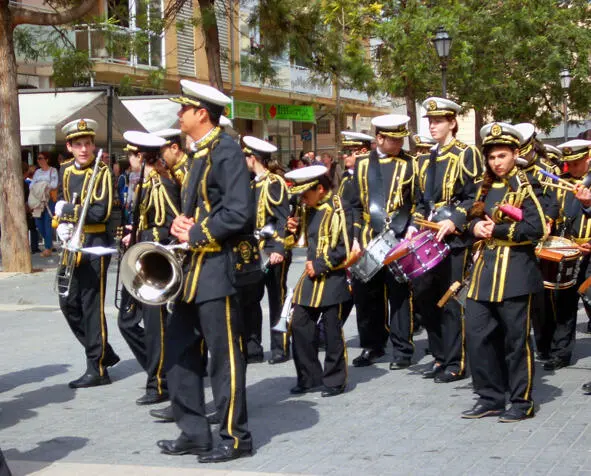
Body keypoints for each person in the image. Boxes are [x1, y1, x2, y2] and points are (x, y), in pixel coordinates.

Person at [156, 80, 252, 463]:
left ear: (202, 113)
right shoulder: (198, 154)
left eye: (184, 109)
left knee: (224, 358)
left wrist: (196, 231)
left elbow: (238, 211)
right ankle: (194, 432)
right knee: (179, 352)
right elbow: (198, 209)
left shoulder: (227, 150)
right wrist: (179, 226)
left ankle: (236, 437)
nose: (178, 115)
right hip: (190, 273)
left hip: (217, 270)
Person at [462, 122, 545, 422]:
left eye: (502, 155)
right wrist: (474, 226)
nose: (496, 162)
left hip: (515, 276)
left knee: (515, 341)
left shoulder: (527, 184)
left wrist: (494, 228)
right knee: (477, 336)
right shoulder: (482, 186)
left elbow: (537, 228)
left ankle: (522, 402)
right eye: (492, 157)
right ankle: (490, 397)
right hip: (484, 275)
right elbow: (466, 220)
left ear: (515, 153)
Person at [411, 97, 483, 383]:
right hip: (429, 237)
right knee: (426, 297)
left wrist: (455, 219)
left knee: (451, 300)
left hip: (454, 239)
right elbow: (419, 199)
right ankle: (440, 356)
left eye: (438, 120)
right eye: (430, 121)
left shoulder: (467, 154)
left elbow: (475, 197)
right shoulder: (426, 157)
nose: (433, 125)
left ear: (452, 123)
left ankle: (456, 361)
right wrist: (414, 225)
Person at [54, 118, 120, 388]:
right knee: (67, 301)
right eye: (78, 144)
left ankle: (98, 368)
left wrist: (66, 211)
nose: (84, 149)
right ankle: (103, 351)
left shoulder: (102, 171)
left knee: (92, 306)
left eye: (88, 143)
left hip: (94, 243)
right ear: (69, 147)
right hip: (73, 242)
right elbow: (60, 198)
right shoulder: (66, 170)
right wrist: (61, 225)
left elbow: (99, 212)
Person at [349, 115, 417, 369]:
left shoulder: (411, 164)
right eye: (394, 139)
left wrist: (412, 227)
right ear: (380, 138)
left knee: (399, 295)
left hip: (398, 238)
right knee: (366, 296)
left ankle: (402, 349)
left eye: (401, 139)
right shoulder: (363, 164)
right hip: (369, 239)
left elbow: (416, 200)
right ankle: (372, 345)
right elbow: (355, 205)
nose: (399, 144)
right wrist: (355, 239)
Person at [117, 131, 181, 406]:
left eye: (131, 155)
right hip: (140, 259)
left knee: (157, 329)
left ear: (141, 157)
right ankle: (162, 370)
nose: (129, 160)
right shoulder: (145, 182)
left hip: (155, 262)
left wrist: (146, 237)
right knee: (126, 321)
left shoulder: (162, 184)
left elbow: (174, 223)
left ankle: (160, 382)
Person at [285, 165, 352, 396]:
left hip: (332, 275)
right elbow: (299, 241)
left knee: (332, 331)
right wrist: (291, 230)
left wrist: (321, 265)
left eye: (306, 194)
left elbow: (345, 247)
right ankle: (308, 377)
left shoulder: (339, 208)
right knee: (299, 325)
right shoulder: (307, 209)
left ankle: (334, 380)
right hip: (311, 277)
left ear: (320, 189)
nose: (302, 200)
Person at [240, 136, 291, 364]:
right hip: (255, 250)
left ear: (253, 158)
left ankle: (280, 346)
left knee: (276, 299)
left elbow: (282, 218)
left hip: (273, 248)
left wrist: (279, 247)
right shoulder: (252, 184)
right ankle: (253, 347)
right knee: (251, 298)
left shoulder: (274, 183)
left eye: (245, 157)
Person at [543, 140, 591, 371]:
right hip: (570, 252)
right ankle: (561, 353)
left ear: (587, 159)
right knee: (564, 305)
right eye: (568, 163)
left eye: (576, 163)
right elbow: (555, 209)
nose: (571, 168)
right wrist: (548, 220)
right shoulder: (562, 184)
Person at [29, 152, 58, 257]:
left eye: (41, 158)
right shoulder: (37, 172)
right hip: (38, 199)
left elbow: (54, 184)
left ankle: (47, 247)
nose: (39, 160)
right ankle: (49, 244)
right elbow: (31, 185)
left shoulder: (53, 171)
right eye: (38, 159)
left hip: (49, 199)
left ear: (47, 159)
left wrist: (43, 185)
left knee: (47, 222)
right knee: (38, 223)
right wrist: (42, 186)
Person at [22, 162, 40, 254]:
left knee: (31, 227)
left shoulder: (25, 183)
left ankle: (33, 247)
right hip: (25, 208)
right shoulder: (24, 184)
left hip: (25, 207)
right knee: (32, 228)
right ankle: (34, 247)